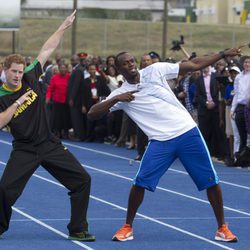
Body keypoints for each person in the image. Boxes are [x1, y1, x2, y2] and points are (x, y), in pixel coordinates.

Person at [87, 49, 242, 243]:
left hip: (187, 132)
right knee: (140, 182)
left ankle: (222, 228)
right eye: (125, 64)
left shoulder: (155, 70)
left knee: (211, 181)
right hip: (160, 141)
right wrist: (116, 99)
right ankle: (127, 226)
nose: (131, 64)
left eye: (132, 61)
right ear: (118, 69)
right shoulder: (120, 94)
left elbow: (194, 65)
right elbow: (93, 113)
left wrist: (222, 54)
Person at [0, 11, 95, 242]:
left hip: (49, 144)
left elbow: (46, 49)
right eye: (14, 71)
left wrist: (63, 26)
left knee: (82, 180)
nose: (18, 76)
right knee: (4, 191)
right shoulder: (2, 95)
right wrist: (17, 103)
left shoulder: (31, 77)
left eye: (21, 71)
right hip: (24, 149)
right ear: (5, 69)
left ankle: (77, 228)